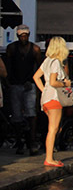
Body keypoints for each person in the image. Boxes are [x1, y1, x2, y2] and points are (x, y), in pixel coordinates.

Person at [32, 36, 71, 167]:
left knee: (54, 128)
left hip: (46, 98)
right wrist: (65, 83)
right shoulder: (55, 62)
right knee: (53, 129)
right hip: (55, 98)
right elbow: (54, 82)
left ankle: (50, 156)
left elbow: (36, 77)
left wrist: (44, 90)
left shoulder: (47, 60)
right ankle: (49, 158)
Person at [5, 24, 42, 156]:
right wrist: (9, 82)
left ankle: (31, 143)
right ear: (17, 36)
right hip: (15, 84)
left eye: (25, 35)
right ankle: (20, 143)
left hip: (29, 85)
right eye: (21, 36)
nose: (23, 38)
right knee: (17, 116)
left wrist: (35, 84)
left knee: (31, 114)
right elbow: (8, 67)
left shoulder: (35, 49)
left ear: (29, 35)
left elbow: (39, 67)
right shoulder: (11, 48)